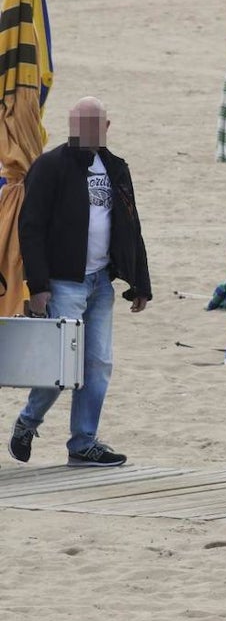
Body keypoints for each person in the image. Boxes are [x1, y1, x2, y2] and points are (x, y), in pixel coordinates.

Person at [9, 97, 151, 468]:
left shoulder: (116, 168)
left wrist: (140, 283)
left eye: (95, 123)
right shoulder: (49, 166)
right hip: (63, 282)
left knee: (98, 363)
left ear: (107, 127)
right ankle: (28, 422)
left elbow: (131, 226)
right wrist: (38, 286)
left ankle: (84, 441)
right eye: (81, 123)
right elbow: (31, 228)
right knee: (61, 366)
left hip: (102, 281)